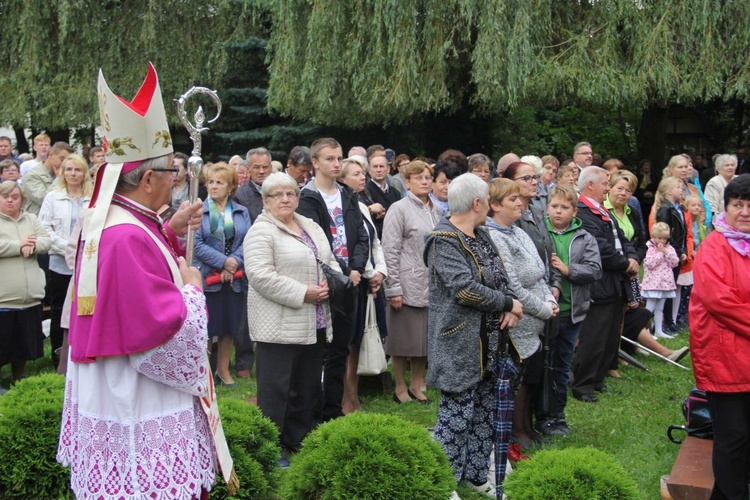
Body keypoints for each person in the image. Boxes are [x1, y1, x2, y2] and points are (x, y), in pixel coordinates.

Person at [56, 63, 226, 499]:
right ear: (148, 178)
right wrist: (191, 288)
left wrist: (170, 228)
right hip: (138, 391)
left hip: (115, 379)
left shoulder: (118, 221)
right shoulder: (127, 235)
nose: (177, 179)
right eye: (172, 172)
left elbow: (133, 276)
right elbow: (157, 324)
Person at [424, 173, 523, 498]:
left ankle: (476, 474)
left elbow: (499, 273)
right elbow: (465, 291)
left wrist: (509, 304)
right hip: (458, 344)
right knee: (456, 416)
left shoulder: (480, 234)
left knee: (484, 411)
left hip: (490, 343)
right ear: (478, 203)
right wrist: (508, 303)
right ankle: (444, 481)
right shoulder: (443, 240)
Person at [244, 172, 338, 467]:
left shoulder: (309, 225)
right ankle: (272, 449)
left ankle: (299, 442)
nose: (285, 199)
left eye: (291, 193)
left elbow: (329, 259)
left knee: (307, 387)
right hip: (279, 325)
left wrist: (330, 283)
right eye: (277, 194)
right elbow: (260, 276)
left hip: (315, 321)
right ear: (266, 201)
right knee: (277, 391)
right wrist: (304, 292)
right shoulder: (261, 231)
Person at [297, 137, 369, 421]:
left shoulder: (348, 195)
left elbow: (361, 236)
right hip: (324, 281)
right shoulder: (306, 198)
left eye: (339, 158)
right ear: (315, 162)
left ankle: (333, 411)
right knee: (319, 352)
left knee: (341, 349)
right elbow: (316, 243)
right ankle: (312, 412)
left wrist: (357, 269)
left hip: (350, 283)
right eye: (329, 158)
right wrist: (342, 271)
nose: (336, 163)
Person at [690, 174, 750, 500]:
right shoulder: (715, 245)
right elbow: (719, 301)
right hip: (724, 357)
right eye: (737, 205)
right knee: (733, 437)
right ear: (725, 207)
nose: (744, 212)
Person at [486, 178, 558, 447]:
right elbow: (512, 284)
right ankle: (516, 432)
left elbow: (540, 273)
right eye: (512, 199)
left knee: (533, 376)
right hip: (520, 320)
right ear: (495, 205)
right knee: (519, 377)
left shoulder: (518, 231)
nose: (520, 202)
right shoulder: (495, 236)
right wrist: (542, 309)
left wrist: (549, 298)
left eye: (520, 198)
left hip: (537, 318)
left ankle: (527, 426)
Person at [572, 167, 639, 403]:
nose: (608, 188)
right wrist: (625, 264)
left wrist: (633, 258)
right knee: (595, 336)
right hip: (599, 283)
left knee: (610, 335)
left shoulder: (602, 209)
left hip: (615, 282)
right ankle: (583, 385)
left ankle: (598, 379)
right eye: (605, 184)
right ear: (590, 185)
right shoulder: (582, 211)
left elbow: (622, 238)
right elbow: (600, 247)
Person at [543, 185, 601, 436]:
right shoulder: (540, 232)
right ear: (547, 208)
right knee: (544, 364)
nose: (558, 211)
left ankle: (558, 415)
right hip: (544, 311)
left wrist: (569, 271)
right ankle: (541, 414)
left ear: (574, 211)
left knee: (561, 365)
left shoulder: (584, 237)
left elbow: (595, 269)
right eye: (554, 206)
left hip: (571, 311)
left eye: (564, 207)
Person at [382, 160, 441, 404]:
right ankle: (399, 386)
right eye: (419, 177)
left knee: (422, 340)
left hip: (432, 284)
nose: (425, 181)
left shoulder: (437, 210)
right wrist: (393, 287)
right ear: (407, 182)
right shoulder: (399, 208)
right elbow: (390, 249)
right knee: (402, 339)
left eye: (428, 177)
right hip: (407, 282)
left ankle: (418, 383)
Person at [338, 157, 388, 414]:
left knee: (359, 342)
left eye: (363, 174)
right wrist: (368, 274)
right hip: (354, 280)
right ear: (342, 179)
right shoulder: (341, 207)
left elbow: (374, 244)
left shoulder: (363, 206)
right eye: (356, 173)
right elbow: (350, 246)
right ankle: (345, 400)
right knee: (346, 344)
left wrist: (381, 271)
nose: (362, 178)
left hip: (370, 282)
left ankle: (354, 396)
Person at [193, 162, 251, 387]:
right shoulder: (199, 210)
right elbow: (195, 245)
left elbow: (248, 240)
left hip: (234, 279)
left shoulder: (241, 211)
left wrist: (234, 263)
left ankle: (223, 370)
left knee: (229, 326)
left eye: (220, 183)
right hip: (207, 277)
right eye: (210, 182)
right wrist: (224, 263)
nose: (214, 187)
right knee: (206, 328)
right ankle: (203, 372)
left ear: (231, 187)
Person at [38, 154, 92, 369]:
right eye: (69, 169)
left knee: (85, 306)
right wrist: (67, 247)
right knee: (60, 309)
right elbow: (44, 228)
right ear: (62, 172)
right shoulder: (53, 197)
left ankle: (82, 352)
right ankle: (58, 357)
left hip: (87, 262)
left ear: (84, 173)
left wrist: (81, 250)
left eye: (77, 170)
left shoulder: (91, 197)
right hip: (60, 262)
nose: (73, 174)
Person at [0, 181, 51, 390]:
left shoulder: (31, 218)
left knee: (22, 344)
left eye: (15, 197)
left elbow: (46, 241)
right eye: (5, 197)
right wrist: (18, 245)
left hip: (29, 296)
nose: (10, 200)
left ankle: (19, 378)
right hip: (4, 296)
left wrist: (32, 244)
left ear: (22, 199)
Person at [655, 176, 689, 334]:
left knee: (672, 287)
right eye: (678, 187)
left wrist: (683, 251)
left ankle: (670, 320)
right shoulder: (665, 209)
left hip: (676, 253)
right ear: (669, 191)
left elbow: (683, 233)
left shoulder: (678, 208)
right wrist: (673, 251)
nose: (682, 190)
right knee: (667, 288)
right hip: (668, 254)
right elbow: (664, 234)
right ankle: (665, 321)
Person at [641, 222, 680, 339]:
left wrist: (666, 252)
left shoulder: (669, 248)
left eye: (664, 238)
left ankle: (658, 330)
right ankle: (646, 330)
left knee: (660, 308)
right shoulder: (649, 247)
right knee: (650, 308)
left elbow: (675, 262)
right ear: (653, 236)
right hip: (652, 283)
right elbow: (649, 263)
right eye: (659, 238)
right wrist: (659, 254)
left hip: (665, 283)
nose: (662, 241)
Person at [22, 141, 74, 216]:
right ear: (51, 154)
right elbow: (44, 199)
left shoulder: (67, 175)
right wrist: (59, 178)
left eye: (68, 161)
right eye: (62, 159)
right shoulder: (32, 175)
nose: (65, 164)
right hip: (38, 223)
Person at [704, 154, 737, 219]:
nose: (730, 167)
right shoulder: (714, 182)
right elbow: (711, 208)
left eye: (732, 165)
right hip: (720, 222)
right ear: (719, 169)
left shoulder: (740, 180)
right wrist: (719, 224)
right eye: (726, 165)